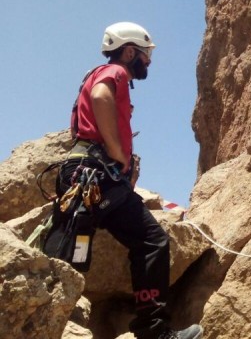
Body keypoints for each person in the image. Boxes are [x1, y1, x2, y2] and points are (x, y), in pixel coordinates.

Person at [43, 22, 202, 339]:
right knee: (151, 240)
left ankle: (44, 314)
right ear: (129, 52)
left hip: (82, 174)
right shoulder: (114, 73)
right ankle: (153, 330)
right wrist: (118, 154)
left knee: (67, 247)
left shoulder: (97, 74)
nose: (149, 62)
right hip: (96, 175)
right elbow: (101, 97)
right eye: (145, 55)